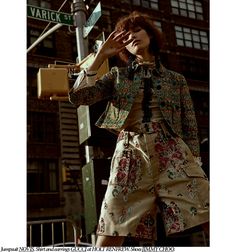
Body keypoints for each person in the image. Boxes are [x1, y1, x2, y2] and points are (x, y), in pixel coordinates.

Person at [69, 11, 209, 247]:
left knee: (210, 210)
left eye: (137, 30)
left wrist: (195, 159)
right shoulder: (117, 76)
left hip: (174, 153)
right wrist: (101, 55)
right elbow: (78, 96)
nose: (132, 36)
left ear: (150, 35)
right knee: (111, 227)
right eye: (126, 34)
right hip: (130, 153)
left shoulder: (176, 80)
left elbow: (189, 124)